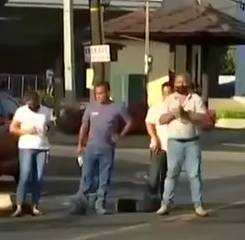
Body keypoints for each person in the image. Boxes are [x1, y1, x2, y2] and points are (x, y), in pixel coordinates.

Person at [74, 81, 133, 215]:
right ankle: (81, 203)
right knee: (86, 176)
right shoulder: (90, 107)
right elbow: (84, 126)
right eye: (97, 94)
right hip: (91, 147)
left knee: (104, 177)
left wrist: (121, 135)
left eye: (102, 93)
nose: (99, 96)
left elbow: (129, 122)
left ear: (108, 93)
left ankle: (100, 203)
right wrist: (80, 144)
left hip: (107, 148)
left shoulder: (117, 107)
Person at [156, 73, 209, 217]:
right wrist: (174, 114)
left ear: (189, 83)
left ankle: (198, 205)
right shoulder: (169, 99)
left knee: (194, 174)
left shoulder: (196, 99)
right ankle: (165, 204)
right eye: (178, 82)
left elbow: (203, 118)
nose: (180, 85)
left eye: (183, 82)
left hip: (192, 141)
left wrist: (186, 114)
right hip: (174, 141)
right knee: (171, 173)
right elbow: (160, 119)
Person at [9, 90, 54, 217]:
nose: (31, 105)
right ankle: (19, 206)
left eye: (33, 102)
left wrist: (48, 130)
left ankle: (35, 205)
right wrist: (27, 131)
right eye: (28, 103)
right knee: (25, 175)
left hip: (42, 146)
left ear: (37, 101)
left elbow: (50, 127)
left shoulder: (45, 111)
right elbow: (13, 128)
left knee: (39, 178)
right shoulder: (22, 111)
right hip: (26, 146)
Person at [144, 82, 173, 206]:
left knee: (168, 176)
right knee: (155, 175)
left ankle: (165, 200)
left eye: (170, 92)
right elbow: (149, 123)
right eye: (165, 92)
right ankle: (150, 199)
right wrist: (155, 138)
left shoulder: (178, 107)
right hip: (159, 146)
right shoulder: (156, 107)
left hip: (173, 147)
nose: (167, 95)